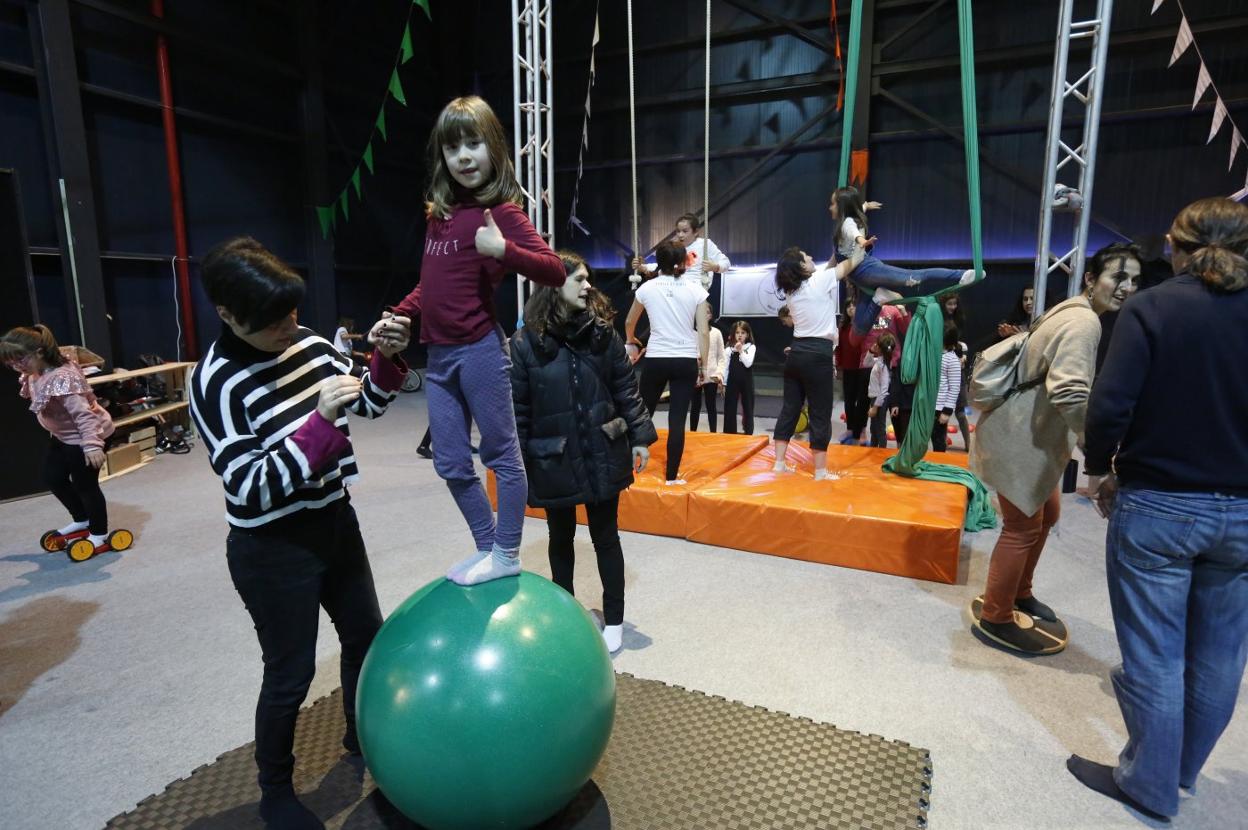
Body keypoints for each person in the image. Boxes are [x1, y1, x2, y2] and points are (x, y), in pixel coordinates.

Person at [188, 237, 410, 830]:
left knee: (366, 635)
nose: (292, 327)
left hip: (334, 520)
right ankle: (275, 790)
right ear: (229, 315)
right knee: (290, 673)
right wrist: (317, 423)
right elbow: (252, 486)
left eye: (293, 311)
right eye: (275, 320)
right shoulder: (215, 383)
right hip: (271, 546)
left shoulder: (306, 341)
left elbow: (367, 404)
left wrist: (386, 361)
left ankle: (361, 739)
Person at [1068, 198, 1248, 822]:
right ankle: (1182, 774)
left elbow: (1110, 407)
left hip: (1161, 504)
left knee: (1156, 652)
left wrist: (1096, 470)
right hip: (1245, 514)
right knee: (1223, 655)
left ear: (1175, 247)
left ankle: (1149, 782)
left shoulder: (1152, 307)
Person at [390, 95, 565, 586]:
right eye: (453, 148)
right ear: (441, 157)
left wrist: (504, 250)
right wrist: (398, 314)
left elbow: (553, 269)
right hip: (439, 355)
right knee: (448, 462)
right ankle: (488, 547)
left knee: (501, 456)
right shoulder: (439, 216)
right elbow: (432, 284)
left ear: (494, 149)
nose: (464, 157)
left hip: (481, 349)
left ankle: (506, 551)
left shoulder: (501, 212)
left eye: (474, 144)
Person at [969, 241, 1142, 655]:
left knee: (1048, 514)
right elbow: (1068, 391)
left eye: (1134, 280)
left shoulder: (1072, 311)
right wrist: (1094, 447)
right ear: (1090, 279)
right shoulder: (1085, 323)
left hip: (1032, 436)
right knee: (1022, 527)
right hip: (1021, 438)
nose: (1126, 287)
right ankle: (996, 616)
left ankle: (1021, 593)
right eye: (1118, 277)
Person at [510, 253, 658, 653]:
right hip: (553, 457)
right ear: (553, 286)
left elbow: (626, 388)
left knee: (606, 538)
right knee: (560, 539)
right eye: (578, 279)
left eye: (587, 279)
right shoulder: (525, 345)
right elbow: (518, 410)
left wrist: (640, 437)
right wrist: (519, 464)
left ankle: (614, 622)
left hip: (601, 450)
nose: (588, 285)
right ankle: (565, 618)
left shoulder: (603, 335)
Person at [1, 325, 116, 555]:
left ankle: (99, 533)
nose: (17, 367)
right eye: (11, 363)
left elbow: (84, 415)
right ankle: (82, 519)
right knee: (52, 477)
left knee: (86, 486)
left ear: (40, 353)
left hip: (86, 437)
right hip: (63, 436)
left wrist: (93, 445)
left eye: (20, 360)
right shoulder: (36, 372)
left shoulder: (62, 378)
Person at [829, 186, 982, 337]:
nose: (830, 208)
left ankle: (961, 275)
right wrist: (866, 205)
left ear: (842, 207)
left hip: (867, 270)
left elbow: (854, 233)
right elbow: (857, 213)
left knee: (914, 278)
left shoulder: (848, 224)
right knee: (857, 332)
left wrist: (862, 241)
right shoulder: (846, 221)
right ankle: (878, 299)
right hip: (862, 280)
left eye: (833, 204)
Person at [771, 244, 865, 480]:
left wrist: (836, 251)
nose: (812, 256)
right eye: (807, 256)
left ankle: (779, 463)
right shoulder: (821, 280)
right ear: (802, 267)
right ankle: (820, 471)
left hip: (797, 353)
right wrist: (860, 246)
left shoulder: (793, 290)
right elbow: (851, 263)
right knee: (820, 411)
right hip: (817, 354)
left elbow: (829, 267)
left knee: (790, 408)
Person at [625, 240, 711, 485]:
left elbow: (630, 321)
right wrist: (703, 366)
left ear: (658, 262)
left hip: (657, 357)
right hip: (685, 359)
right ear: (683, 261)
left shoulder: (647, 288)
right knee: (677, 420)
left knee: (643, 413)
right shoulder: (695, 288)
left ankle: (626, 467)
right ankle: (671, 477)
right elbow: (703, 332)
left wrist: (632, 341)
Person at [632, 212, 731, 290]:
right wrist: (643, 267)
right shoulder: (674, 246)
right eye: (678, 231)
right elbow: (662, 266)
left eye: (685, 231)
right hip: (675, 287)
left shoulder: (705, 244)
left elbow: (726, 263)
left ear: (696, 232)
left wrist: (715, 267)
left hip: (696, 289)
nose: (680, 235)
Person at [836, 294, 869, 445]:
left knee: (862, 401)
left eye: (853, 305)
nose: (851, 308)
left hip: (863, 368)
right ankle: (850, 429)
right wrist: (839, 367)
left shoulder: (864, 325)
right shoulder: (842, 327)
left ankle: (862, 430)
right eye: (848, 306)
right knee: (849, 400)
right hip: (848, 369)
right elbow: (839, 349)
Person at [942, 294, 972, 450]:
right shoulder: (938, 320)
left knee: (961, 410)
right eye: (949, 304)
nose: (952, 307)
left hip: (957, 370)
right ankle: (942, 440)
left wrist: (962, 355)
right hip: (944, 370)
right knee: (942, 409)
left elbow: (962, 347)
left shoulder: (959, 320)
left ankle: (968, 443)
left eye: (955, 304)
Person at [689, 317, 726, 432]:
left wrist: (719, 374)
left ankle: (713, 433)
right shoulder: (690, 333)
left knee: (711, 406)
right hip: (695, 375)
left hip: (711, 375)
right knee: (695, 406)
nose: (705, 314)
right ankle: (692, 433)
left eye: (707, 312)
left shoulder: (716, 333)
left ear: (711, 315)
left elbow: (721, 357)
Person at [930, 323, 962, 453]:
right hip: (928, 405)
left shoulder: (952, 359)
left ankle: (938, 464)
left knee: (938, 440)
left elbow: (954, 388)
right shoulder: (934, 355)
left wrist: (947, 412)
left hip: (940, 408)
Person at [723, 320, 756, 435]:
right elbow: (725, 367)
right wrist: (723, 383)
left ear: (747, 334)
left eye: (743, 332)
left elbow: (748, 363)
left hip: (746, 381)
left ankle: (748, 432)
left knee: (748, 406)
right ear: (733, 334)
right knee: (730, 407)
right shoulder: (729, 350)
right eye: (737, 333)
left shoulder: (751, 347)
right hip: (732, 381)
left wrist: (741, 350)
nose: (740, 335)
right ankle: (729, 433)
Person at [865, 332, 895, 448]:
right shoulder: (879, 362)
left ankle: (881, 451)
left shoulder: (883, 366)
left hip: (879, 400)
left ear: (880, 348)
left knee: (879, 428)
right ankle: (873, 449)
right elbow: (866, 362)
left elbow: (884, 390)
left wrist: (875, 407)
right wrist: (871, 351)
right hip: (875, 398)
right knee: (874, 428)